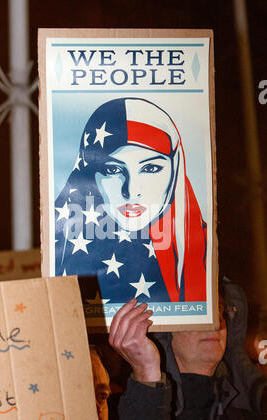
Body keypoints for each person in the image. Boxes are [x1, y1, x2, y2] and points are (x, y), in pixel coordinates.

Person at [55, 97, 206, 304]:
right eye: (112, 170)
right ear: (89, 173)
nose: (131, 191)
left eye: (150, 168)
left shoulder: (206, 254)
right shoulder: (63, 252)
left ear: (175, 169)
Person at [109, 279, 267, 420]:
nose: (214, 323)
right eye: (197, 310)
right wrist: (146, 375)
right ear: (164, 330)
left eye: (219, 309)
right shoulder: (119, 417)